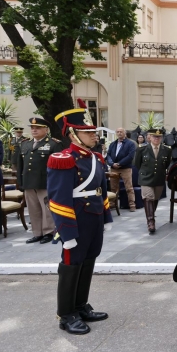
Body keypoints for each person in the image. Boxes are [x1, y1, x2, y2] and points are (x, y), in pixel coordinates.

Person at [48, 107, 113, 335]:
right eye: (88, 132)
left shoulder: (95, 157)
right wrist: (66, 233)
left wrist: (105, 216)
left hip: (93, 218)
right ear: (73, 134)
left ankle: (80, 306)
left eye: (93, 131)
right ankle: (66, 314)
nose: (94, 135)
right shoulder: (63, 160)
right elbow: (58, 199)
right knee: (71, 264)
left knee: (88, 261)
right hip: (75, 220)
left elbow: (101, 190)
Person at [17, 117, 64, 244]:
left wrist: (57, 184)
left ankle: (48, 232)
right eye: (32, 128)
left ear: (46, 129)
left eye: (37, 128)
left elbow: (59, 166)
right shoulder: (25, 144)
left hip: (46, 182)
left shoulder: (54, 144)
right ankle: (37, 232)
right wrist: (20, 182)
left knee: (46, 209)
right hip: (28, 182)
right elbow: (20, 165)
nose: (34, 130)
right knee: (33, 209)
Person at [134, 128, 172, 234]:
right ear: (149, 137)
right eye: (154, 136)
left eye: (159, 137)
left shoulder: (167, 150)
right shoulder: (142, 149)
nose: (157, 138)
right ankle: (151, 222)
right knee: (148, 197)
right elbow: (137, 164)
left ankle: (150, 215)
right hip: (145, 178)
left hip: (159, 178)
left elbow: (166, 164)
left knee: (155, 199)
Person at [106, 127, 137, 212]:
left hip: (125, 168)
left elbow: (130, 156)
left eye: (121, 132)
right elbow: (108, 155)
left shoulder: (130, 144)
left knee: (129, 188)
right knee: (113, 188)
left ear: (125, 133)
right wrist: (112, 164)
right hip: (114, 168)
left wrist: (120, 163)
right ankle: (112, 204)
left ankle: (132, 205)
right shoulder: (112, 144)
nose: (119, 133)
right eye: (118, 132)